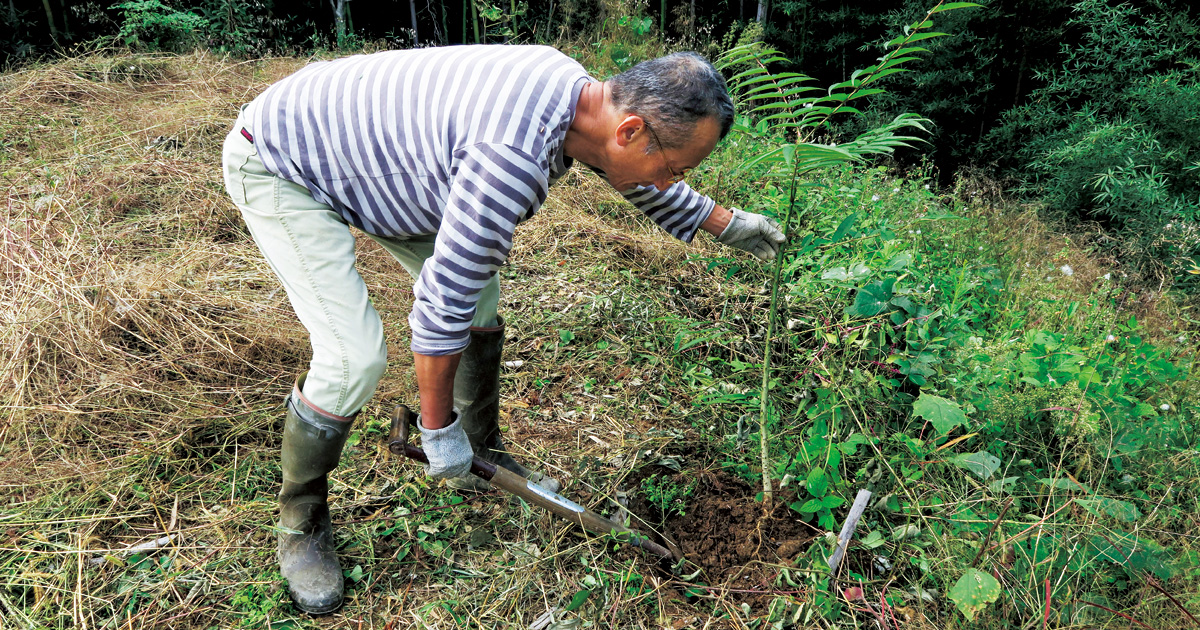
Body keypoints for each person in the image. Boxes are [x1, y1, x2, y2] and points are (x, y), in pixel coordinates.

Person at [221, 44, 784, 614]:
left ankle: (481, 449)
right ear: (632, 128)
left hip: (394, 168)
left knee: (481, 297)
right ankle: (301, 519)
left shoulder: (582, 100)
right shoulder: (509, 158)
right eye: (676, 168)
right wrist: (435, 429)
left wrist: (723, 221)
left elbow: (627, 165)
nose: (671, 180)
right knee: (354, 358)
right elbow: (443, 304)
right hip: (286, 160)